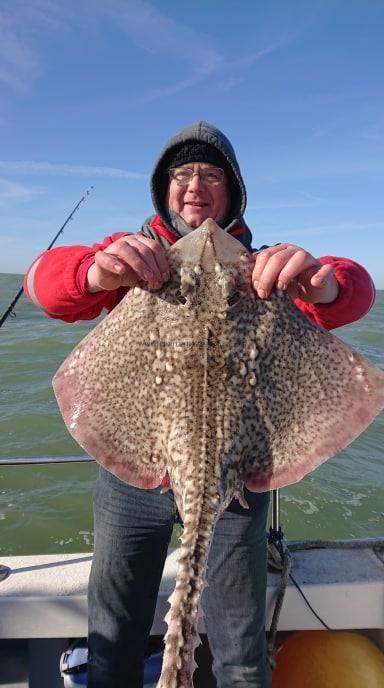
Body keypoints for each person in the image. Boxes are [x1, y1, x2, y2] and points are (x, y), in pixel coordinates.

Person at [24, 121, 375, 688]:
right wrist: (95, 270)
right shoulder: (132, 257)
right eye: (182, 174)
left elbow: (352, 292)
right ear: (163, 189)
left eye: (211, 174)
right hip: (133, 471)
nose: (194, 184)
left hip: (233, 476)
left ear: (232, 192)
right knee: (112, 632)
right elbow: (45, 283)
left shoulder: (262, 267)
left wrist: (323, 281)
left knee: (238, 648)